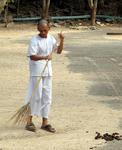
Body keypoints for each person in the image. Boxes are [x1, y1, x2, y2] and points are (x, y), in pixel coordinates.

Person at [25, 19, 64, 132]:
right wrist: (45, 57)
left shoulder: (51, 38)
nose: (43, 33)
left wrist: (62, 40)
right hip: (36, 71)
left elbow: (59, 51)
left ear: (49, 29)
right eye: (41, 31)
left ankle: (45, 122)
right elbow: (32, 56)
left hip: (48, 71)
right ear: (38, 29)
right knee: (36, 95)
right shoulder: (34, 40)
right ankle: (29, 120)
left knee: (47, 96)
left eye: (45, 31)